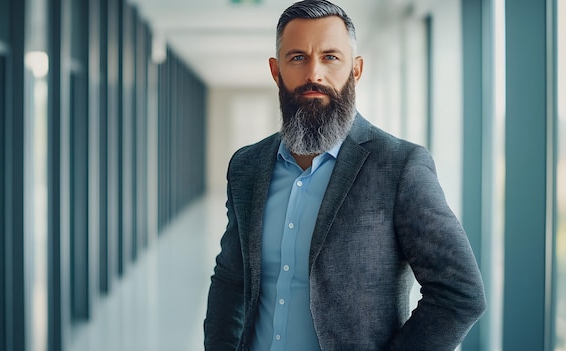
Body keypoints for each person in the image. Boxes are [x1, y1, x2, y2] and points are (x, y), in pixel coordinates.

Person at [204, 0, 486, 350]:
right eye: (298, 58)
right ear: (276, 72)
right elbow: (232, 278)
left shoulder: (400, 166)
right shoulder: (247, 166)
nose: (314, 75)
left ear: (355, 70)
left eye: (330, 57)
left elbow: (459, 293)